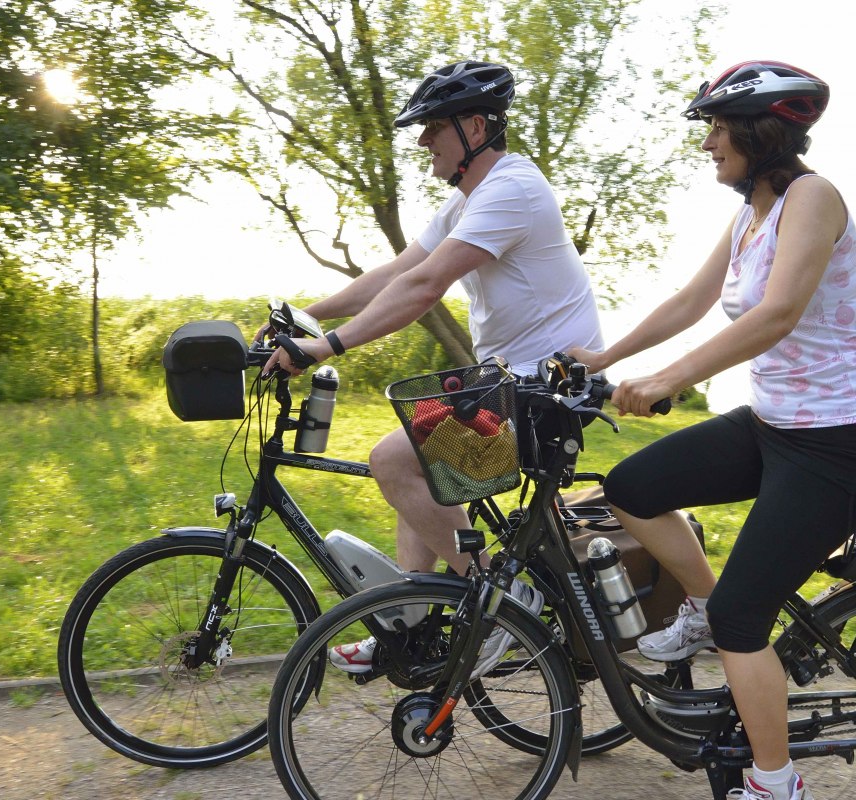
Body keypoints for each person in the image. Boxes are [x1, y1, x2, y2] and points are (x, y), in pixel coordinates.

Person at [570, 61, 855, 800]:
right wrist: (609, 356)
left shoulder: (813, 198)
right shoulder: (748, 215)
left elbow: (779, 312)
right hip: (771, 424)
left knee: (742, 614)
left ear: (760, 132)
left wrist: (672, 379)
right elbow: (691, 300)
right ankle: (700, 605)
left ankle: (775, 781)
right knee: (632, 484)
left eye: (718, 129)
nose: (709, 145)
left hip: (835, 439)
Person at [263, 60, 604, 675]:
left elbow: (423, 287)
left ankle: (507, 606)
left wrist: (326, 346)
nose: (423, 142)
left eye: (433, 129)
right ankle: (409, 623)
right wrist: (302, 317)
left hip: (547, 387)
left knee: (393, 459)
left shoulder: (512, 190)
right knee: (417, 456)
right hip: (513, 380)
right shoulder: (468, 201)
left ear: (476, 127)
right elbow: (396, 272)